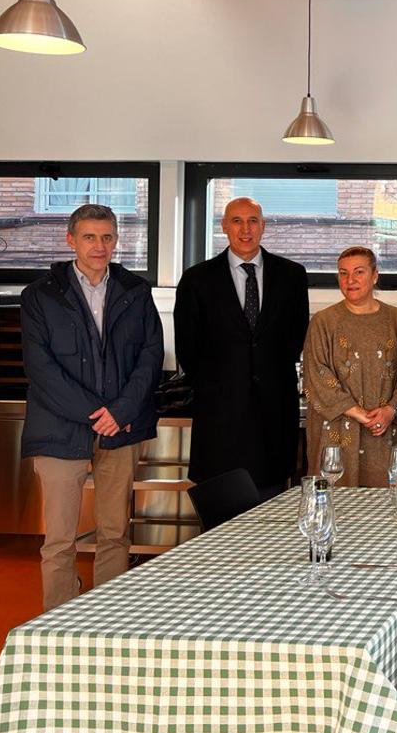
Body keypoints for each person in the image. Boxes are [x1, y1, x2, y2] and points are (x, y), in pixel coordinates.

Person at [20, 203, 163, 611]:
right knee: (60, 539)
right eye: (89, 237)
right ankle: (59, 621)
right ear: (71, 240)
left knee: (115, 532)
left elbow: (150, 356)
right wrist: (95, 414)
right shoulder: (40, 296)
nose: (98, 246)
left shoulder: (136, 292)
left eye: (106, 237)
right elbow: (40, 367)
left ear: (117, 240)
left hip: (121, 430)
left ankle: (107, 618)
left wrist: (119, 411)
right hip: (60, 429)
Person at [175, 197, 309, 500]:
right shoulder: (197, 279)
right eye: (236, 221)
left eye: (252, 221)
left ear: (263, 226)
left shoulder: (292, 275)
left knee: (272, 513)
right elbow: (188, 348)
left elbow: (295, 338)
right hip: (220, 416)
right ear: (224, 226)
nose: (245, 229)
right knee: (221, 515)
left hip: (273, 415)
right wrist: (221, 386)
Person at [302, 247, 397, 487]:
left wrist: (390, 410)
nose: (350, 280)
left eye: (359, 272)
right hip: (335, 431)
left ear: (375, 275)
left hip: (381, 430)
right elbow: (316, 374)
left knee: (381, 507)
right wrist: (359, 413)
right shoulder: (323, 321)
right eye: (343, 273)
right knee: (335, 502)